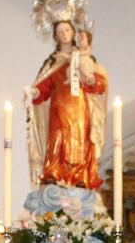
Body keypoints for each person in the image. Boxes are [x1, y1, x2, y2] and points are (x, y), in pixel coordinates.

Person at [27, 19, 108, 191]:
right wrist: (35, 93)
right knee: (57, 139)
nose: (64, 33)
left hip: (79, 107)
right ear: (55, 36)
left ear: (73, 32)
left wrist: (90, 77)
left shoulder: (84, 58)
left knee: (79, 139)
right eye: (60, 31)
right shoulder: (53, 63)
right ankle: (54, 173)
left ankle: (80, 175)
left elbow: (99, 84)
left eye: (67, 30)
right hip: (58, 107)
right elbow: (44, 86)